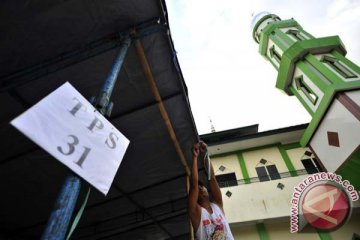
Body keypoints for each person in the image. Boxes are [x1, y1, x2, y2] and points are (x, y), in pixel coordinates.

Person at [188, 141, 234, 240]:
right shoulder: (196, 212)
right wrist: (195, 157)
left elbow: (212, 177)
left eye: (202, 186)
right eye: (199, 187)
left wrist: (205, 154)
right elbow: (193, 186)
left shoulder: (218, 205)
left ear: (207, 191)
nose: (200, 188)